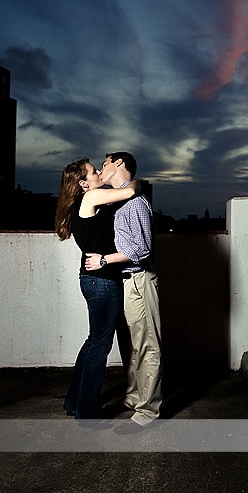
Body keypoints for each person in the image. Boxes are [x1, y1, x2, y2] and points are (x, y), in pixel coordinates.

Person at [55, 158, 140, 426]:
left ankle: (74, 402)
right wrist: (137, 181)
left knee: (94, 341)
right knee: (100, 345)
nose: (98, 174)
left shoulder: (91, 201)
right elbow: (131, 190)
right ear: (83, 183)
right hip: (101, 281)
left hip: (95, 279)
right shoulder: (91, 197)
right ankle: (87, 414)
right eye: (93, 172)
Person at [85, 151, 161, 435]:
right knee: (132, 345)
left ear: (118, 164)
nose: (101, 169)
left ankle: (147, 412)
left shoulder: (135, 203)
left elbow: (141, 250)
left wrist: (104, 260)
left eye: (104, 164)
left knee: (148, 345)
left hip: (140, 280)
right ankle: (134, 397)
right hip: (126, 282)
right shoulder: (120, 200)